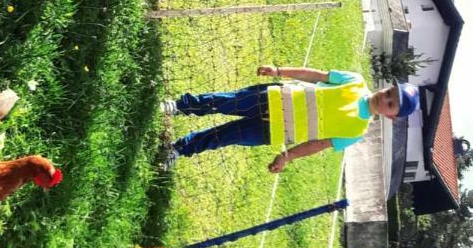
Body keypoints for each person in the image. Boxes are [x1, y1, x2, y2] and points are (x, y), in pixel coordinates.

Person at [161, 64, 420, 169]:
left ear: (391, 116)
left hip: (272, 132)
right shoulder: (355, 81)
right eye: (389, 92)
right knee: (222, 101)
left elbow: (318, 145)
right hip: (271, 98)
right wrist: (279, 70)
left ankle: (179, 149)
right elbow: (315, 75)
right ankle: (179, 106)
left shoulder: (355, 132)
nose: (384, 98)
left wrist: (287, 156)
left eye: (391, 104)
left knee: (223, 137)